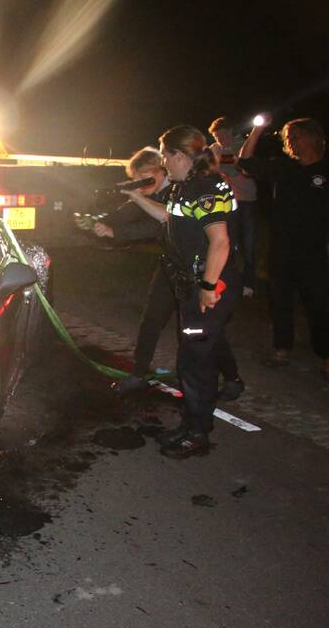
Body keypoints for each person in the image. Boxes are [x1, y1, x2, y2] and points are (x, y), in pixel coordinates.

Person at [83, 148, 244, 400]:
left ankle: (229, 380)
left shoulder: (184, 187)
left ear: (163, 167)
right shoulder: (163, 191)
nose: (144, 181)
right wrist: (102, 222)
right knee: (152, 320)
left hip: (195, 269)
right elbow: (132, 213)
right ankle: (138, 374)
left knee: (199, 331)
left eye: (147, 175)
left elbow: (161, 222)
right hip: (171, 266)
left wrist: (117, 231)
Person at [121, 125, 241, 459]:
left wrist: (207, 287)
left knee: (196, 362)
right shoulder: (185, 187)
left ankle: (198, 433)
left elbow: (220, 241)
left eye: (165, 157)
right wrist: (137, 197)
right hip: (190, 285)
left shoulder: (203, 188)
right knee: (192, 356)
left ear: (179, 155)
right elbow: (168, 218)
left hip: (207, 285)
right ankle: (192, 424)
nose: (163, 165)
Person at [238, 117, 328, 380]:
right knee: (280, 301)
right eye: (288, 138)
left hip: (314, 250)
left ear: (314, 137)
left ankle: (326, 355)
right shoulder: (283, 167)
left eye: (296, 136)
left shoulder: (325, 169)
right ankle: (282, 349)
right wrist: (257, 130)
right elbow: (245, 164)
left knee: (319, 304)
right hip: (282, 249)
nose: (291, 142)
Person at [209, 117, 259, 297]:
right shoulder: (214, 149)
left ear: (230, 131)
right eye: (215, 136)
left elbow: (238, 168)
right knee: (226, 242)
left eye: (221, 134)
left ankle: (249, 283)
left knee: (249, 244)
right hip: (227, 203)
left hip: (247, 201)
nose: (219, 139)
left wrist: (230, 167)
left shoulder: (244, 145)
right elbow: (213, 169)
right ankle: (227, 280)